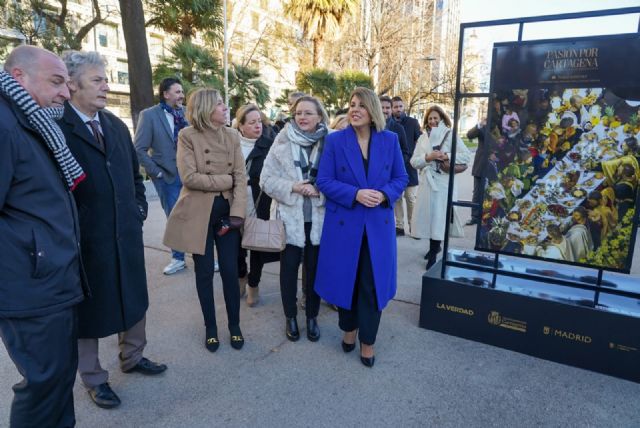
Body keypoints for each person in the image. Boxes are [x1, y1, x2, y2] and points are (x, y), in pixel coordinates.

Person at [58, 50, 167, 409]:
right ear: (72, 85)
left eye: (106, 79)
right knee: (88, 310)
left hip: (126, 233)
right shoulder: (57, 127)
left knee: (133, 295)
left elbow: (135, 176)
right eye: (98, 80)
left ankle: (133, 357)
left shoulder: (116, 126)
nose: (107, 86)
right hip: (85, 241)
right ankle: (93, 378)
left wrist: (139, 208)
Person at [0, 45, 86, 427]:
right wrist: (36, 255)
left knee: (57, 380)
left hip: (50, 281)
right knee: (44, 382)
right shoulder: (5, 125)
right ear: (19, 77)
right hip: (30, 287)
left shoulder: (32, 121)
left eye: (67, 83)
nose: (66, 93)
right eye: (56, 82)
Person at [315, 87, 408, 367]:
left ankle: (368, 341)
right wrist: (355, 194)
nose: (354, 109)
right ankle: (349, 329)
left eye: (361, 106)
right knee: (348, 280)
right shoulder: (335, 141)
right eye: (351, 104)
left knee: (371, 285)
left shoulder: (389, 140)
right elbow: (324, 180)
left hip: (377, 227)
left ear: (373, 112)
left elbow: (401, 177)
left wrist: (384, 194)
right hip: (345, 224)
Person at [164, 88, 247, 352]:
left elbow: (241, 178)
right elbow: (189, 178)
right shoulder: (187, 135)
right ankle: (210, 327)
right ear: (206, 108)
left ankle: (234, 325)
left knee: (230, 271)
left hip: (227, 214)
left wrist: (237, 214)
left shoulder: (232, 135)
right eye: (220, 104)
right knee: (203, 274)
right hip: (198, 213)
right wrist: (226, 180)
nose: (225, 108)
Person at [260, 95, 329, 342]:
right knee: (288, 270)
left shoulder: (331, 142)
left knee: (314, 272)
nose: (302, 117)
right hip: (289, 218)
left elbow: (341, 179)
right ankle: (290, 316)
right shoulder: (281, 140)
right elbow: (265, 180)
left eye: (308, 113)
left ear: (320, 116)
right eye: (298, 113)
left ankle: (312, 316)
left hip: (320, 219)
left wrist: (321, 190)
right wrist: (294, 187)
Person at [135, 77, 189, 275]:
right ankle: (178, 258)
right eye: (177, 92)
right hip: (167, 177)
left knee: (195, 215)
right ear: (165, 94)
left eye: (182, 92)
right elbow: (139, 149)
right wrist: (156, 172)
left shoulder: (186, 113)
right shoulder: (149, 115)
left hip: (190, 174)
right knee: (175, 218)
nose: (181, 95)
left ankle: (203, 255)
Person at [410, 105, 471, 270]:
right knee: (428, 218)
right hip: (427, 183)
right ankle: (434, 247)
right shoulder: (423, 138)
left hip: (443, 183)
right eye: (430, 118)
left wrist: (447, 155)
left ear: (442, 118)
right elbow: (414, 161)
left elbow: (466, 156)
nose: (433, 121)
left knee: (438, 218)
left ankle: (434, 252)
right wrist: (427, 157)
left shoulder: (450, 135)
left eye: (436, 118)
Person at [234, 103, 276, 306]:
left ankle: (253, 284)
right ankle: (241, 275)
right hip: (235, 202)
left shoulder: (270, 144)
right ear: (240, 125)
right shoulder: (230, 144)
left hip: (260, 202)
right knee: (236, 248)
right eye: (252, 122)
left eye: (259, 121)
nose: (257, 126)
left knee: (258, 247)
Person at [391, 96, 420, 235]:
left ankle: (413, 226)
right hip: (394, 168)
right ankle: (400, 226)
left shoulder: (413, 123)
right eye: (395, 106)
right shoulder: (389, 124)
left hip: (410, 167)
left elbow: (419, 142)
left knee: (410, 198)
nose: (398, 109)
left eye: (400, 106)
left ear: (404, 107)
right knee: (397, 198)